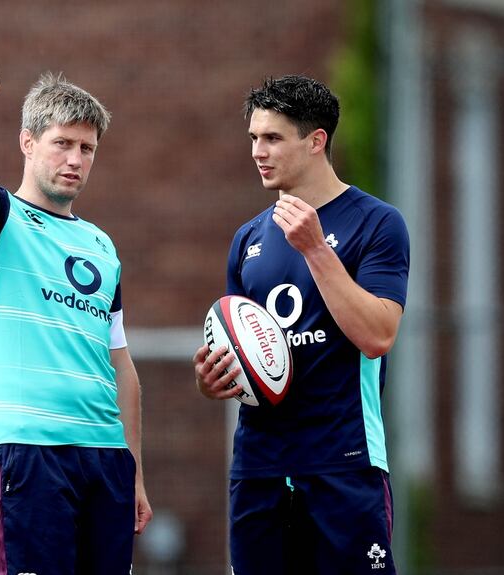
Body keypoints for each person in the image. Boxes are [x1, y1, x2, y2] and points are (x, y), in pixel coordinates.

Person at [193, 75, 409, 574]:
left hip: (342, 460)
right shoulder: (247, 237)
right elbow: (242, 346)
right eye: (253, 138)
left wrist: (315, 248)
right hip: (259, 466)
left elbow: (378, 335)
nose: (258, 152)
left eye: (272, 138)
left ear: (316, 142)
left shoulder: (377, 224)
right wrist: (213, 379)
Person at [0, 47, 152, 575]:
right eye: (62, 143)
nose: (75, 160)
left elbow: (121, 366)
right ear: (28, 143)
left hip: (105, 459)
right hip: (26, 452)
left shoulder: (101, 245)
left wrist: (133, 470)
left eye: (87, 148)